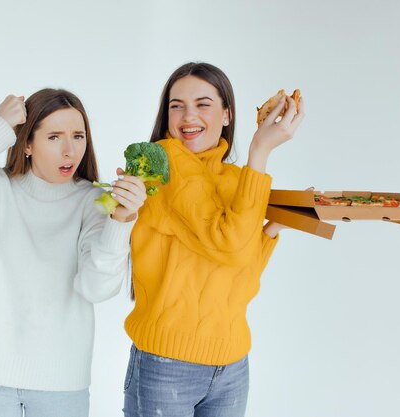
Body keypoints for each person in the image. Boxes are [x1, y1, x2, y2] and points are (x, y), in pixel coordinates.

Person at [0, 88, 147, 417]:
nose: (70, 150)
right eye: (54, 137)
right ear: (26, 143)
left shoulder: (94, 202)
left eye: (78, 136)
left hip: (62, 385)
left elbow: (96, 287)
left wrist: (121, 220)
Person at [122, 62, 305, 417]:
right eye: (177, 105)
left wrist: (273, 228)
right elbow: (231, 245)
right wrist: (260, 151)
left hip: (232, 363)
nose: (188, 115)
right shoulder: (161, 162)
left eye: (202, 104)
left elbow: (241, 269)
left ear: (227, 114)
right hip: (167, 362)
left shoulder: (237, 179)